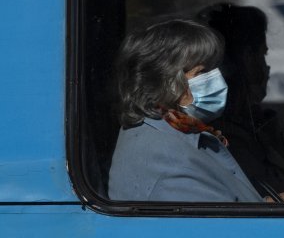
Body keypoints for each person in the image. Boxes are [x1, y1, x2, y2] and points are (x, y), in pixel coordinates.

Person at [108, 19, 274, 202]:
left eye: (215, 69)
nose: (217, 79)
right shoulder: (168, 158)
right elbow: (225, 226)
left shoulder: (177, 131)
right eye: (202, 73)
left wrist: (269, 204)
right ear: (164, 81)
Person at [201, 3, 284, 196]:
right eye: (263, 55)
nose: (267, 69)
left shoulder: (259, 123)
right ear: (248, 58)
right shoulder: (221, 134)